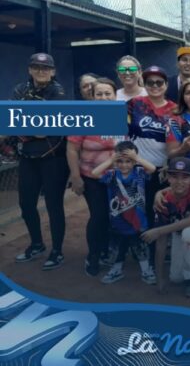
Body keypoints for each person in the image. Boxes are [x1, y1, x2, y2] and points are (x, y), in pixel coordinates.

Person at [11, 53, 69, 270]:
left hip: (53, 158)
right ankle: (37, 244)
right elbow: (13, 121)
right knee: (26, 204)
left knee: (54, 205)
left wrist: (28, 125)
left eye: (45, 68)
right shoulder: (19, 90)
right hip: (27, 157)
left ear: (53, 71)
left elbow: (45, 130)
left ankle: (57, 251)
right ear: (30, 69)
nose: (41, 71)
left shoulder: (58, 92)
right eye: (37, 67)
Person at [67, 78, 126, 277]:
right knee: (99, 216)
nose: (104, 97)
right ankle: (93, 256)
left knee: (114, 216)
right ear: (92, 97)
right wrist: (75, 177)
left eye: (108, 93)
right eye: (99, 94)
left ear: (115, 95)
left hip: (117, 177)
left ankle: (106, 251)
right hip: (91, 177)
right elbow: (72, 149)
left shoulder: (121, 115)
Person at [91, 141, 157, 285]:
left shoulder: (139, 172)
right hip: (117, 221)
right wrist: (110, 160)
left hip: (138, 220)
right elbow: (94, 173)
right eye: (120, 161)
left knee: (140, 247)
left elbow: (152, 169)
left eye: (128, 161)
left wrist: (137, 158)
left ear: (134, 161)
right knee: (117, 249)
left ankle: (146, 270)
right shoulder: (112, 175)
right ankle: (116, 270)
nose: (124, 165)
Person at [140, 157, 190, 297]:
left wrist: (158, 231)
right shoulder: (164, 200)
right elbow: (161, 242)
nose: (179, 181)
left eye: (185, 177)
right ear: (168, 178)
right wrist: (159, 278)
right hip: (178, 232)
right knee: (176, 278)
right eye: (174, 177)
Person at [127, 65, 177, 232]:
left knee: (162, 208)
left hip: (163, 168)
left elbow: (177, 141)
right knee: (139, 209)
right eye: (150, 82)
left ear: (166, 85)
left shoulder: (174, 110)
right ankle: (141, 245)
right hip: (138, 167)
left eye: (159, 82)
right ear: (144, 84)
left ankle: (161, 246)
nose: (155, 86)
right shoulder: (134, 104)